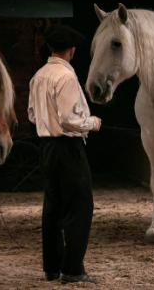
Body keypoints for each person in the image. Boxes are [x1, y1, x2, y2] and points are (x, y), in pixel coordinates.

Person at [28, 25, 102, 284]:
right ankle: (72, 269)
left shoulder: (38, 76)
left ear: (51, 48)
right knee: (80, 206)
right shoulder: (66, 77)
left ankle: (52, 267)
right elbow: (70, 120)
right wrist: (92, 122)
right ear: (70, 50)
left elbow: (32, 115)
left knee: (53, 207)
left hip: (46, 148)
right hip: (67, 148)